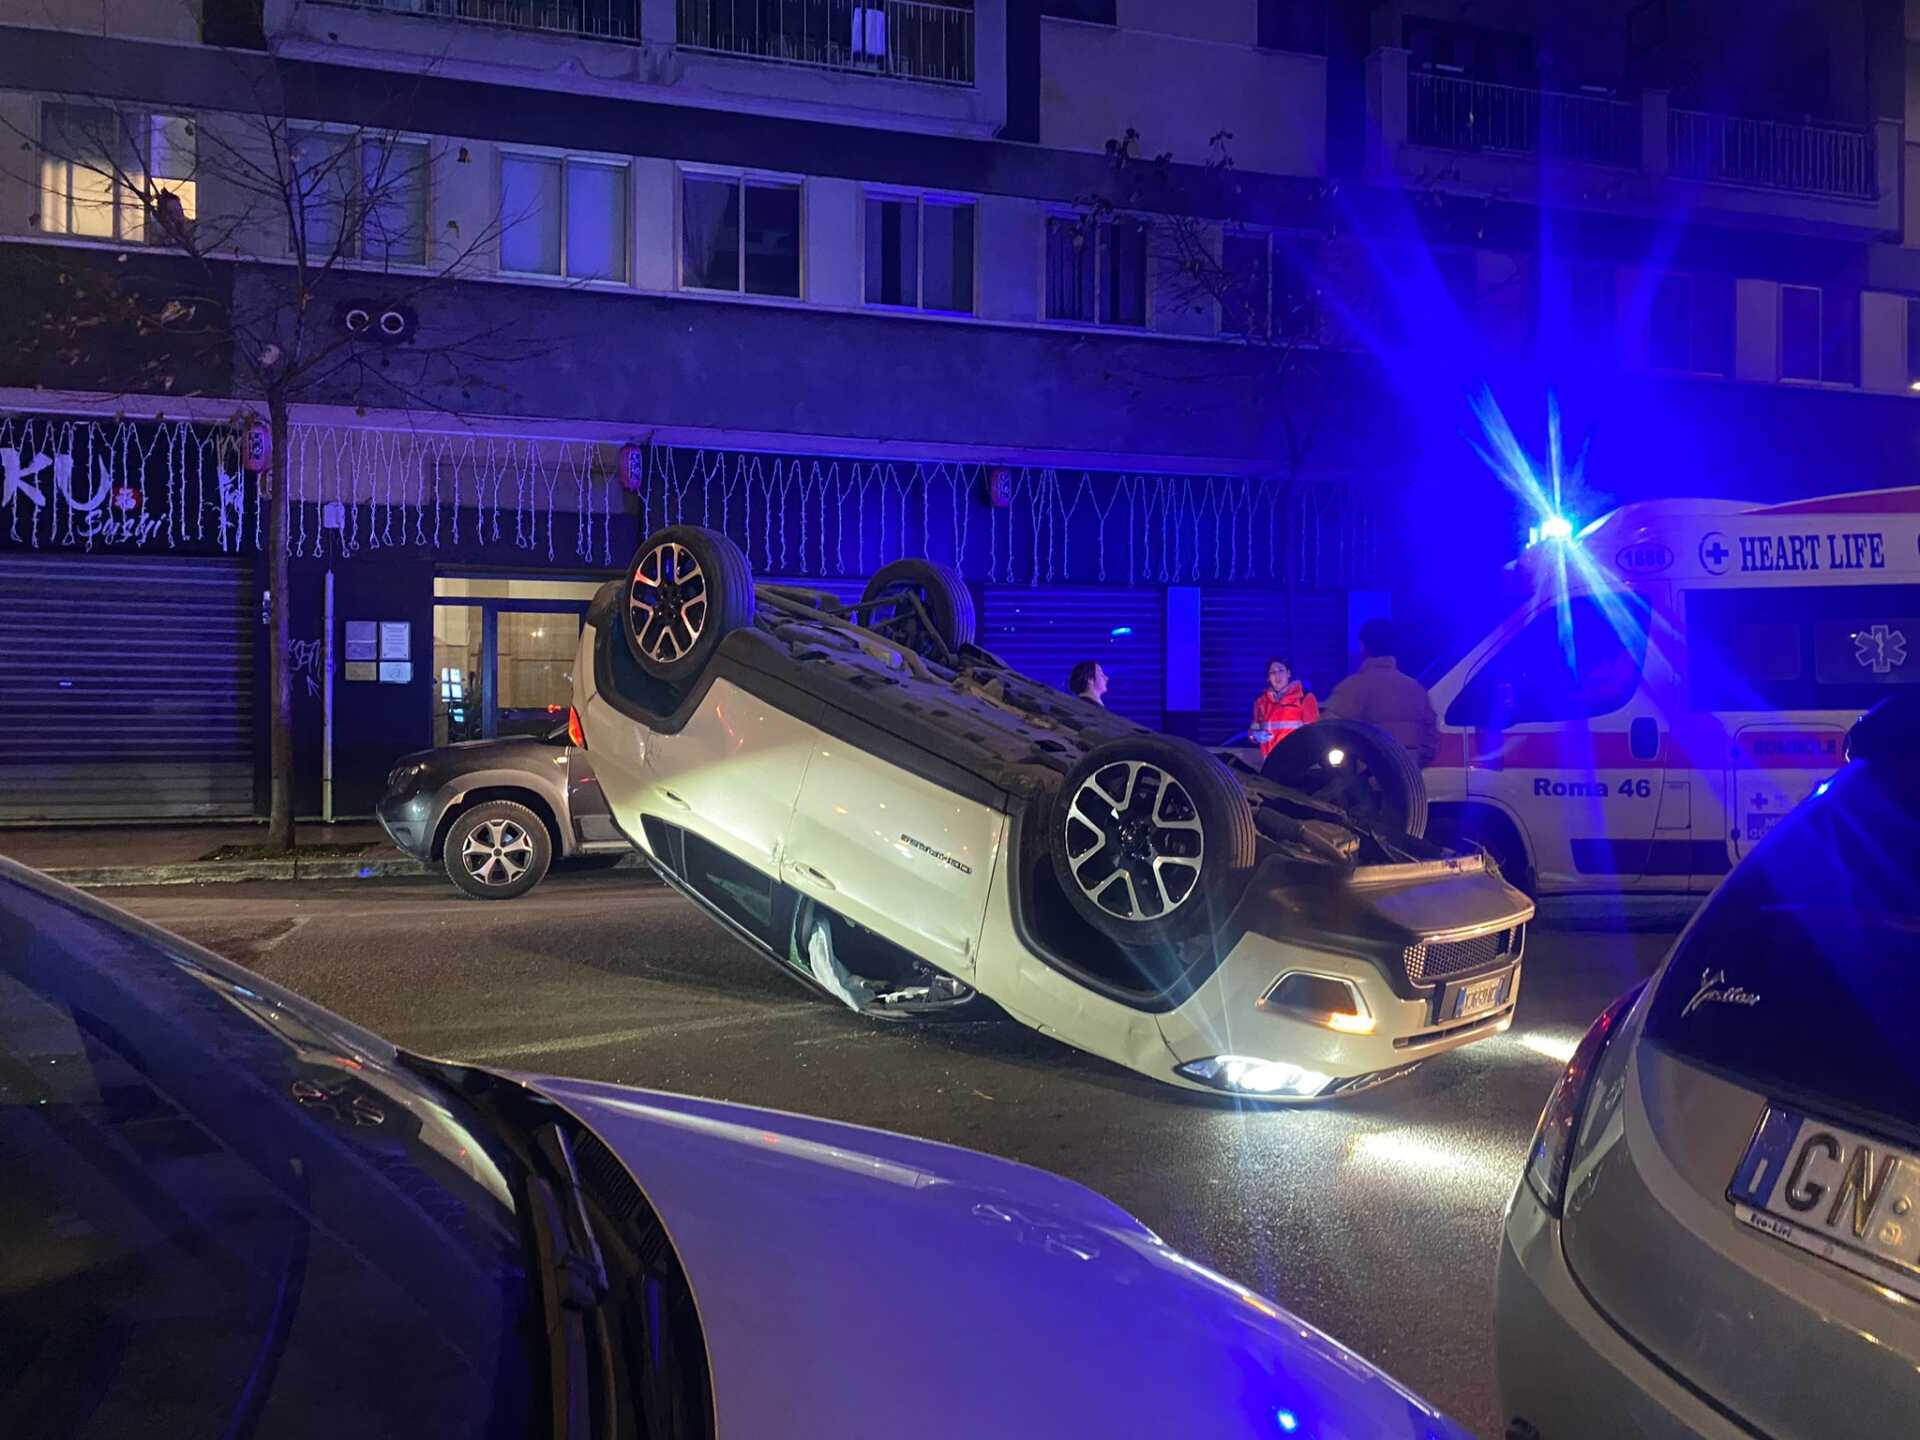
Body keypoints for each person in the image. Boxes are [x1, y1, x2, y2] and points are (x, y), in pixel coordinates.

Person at [1322, 618, 1440, 767]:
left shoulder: (1352, 687)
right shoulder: (1416, 689)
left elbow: (1326, 730)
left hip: (1367, 775)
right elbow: (1430, 738)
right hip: (1408, 774)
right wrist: (1413, 765)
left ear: (1363, 647)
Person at [1249, 657, 1319, 758]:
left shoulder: (1304, 698)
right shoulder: (1260, 702)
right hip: (1268, 762)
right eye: (1272, 672)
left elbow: (1313, 734)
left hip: (1296, 760)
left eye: (1281, 670)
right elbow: (1253, 729)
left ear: (1288, 673)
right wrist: (1255, 736)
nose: (1277, 675)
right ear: (1268, 678)